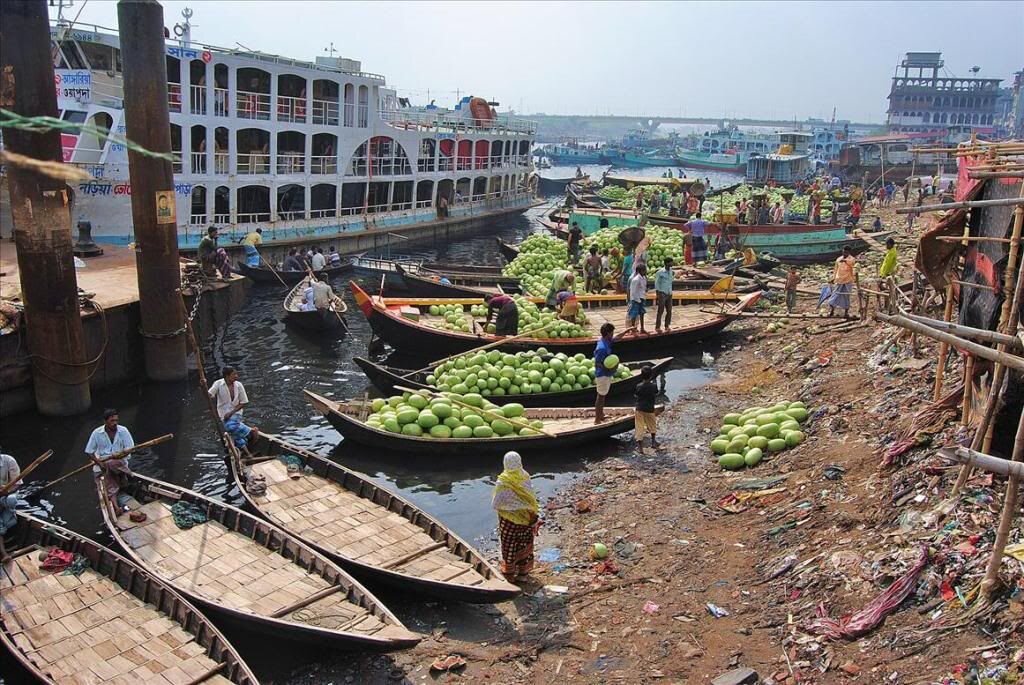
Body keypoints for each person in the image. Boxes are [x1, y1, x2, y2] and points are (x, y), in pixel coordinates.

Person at [492, 451, 540, 581]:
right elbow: (529, 496)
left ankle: (509, 574)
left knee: (509, 544)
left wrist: (510, 507)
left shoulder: (503, 480)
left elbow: (497, 502)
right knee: (524, 542)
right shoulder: (525, 476)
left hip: (509, 519)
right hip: (526, 517)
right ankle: (523, 573)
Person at [86, 409, 137, 513]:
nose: (115, 423)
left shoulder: (123, 431)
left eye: (116, 420)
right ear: (105, 421)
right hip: (102, 464)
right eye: (112, 421)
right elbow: (89, 452)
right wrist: (100, 463)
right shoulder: (97, 433)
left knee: (111, 465)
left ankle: (115, 501)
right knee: (108, 478)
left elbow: (130, 448)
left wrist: (120, 455)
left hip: (120, 462)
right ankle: (116, 503)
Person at [209, 367, 259, 452]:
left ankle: (250, 432)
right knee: (234, 436)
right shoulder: (218, 384)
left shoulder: (239, 385)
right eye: (234, 375)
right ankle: (248, 438)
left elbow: (244, 402)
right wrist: (203, 386)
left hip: (236, 413)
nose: (236, 376)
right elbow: (209, 395)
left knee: (229, 427)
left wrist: (231, 412)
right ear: (227, 376)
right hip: (223, 414)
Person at [1, 448, 22, 559]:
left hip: (9, 494)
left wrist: (6, 490)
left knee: (11, 501)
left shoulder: (9, 461)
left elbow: (17, 484)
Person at [828, 246, 858, 319]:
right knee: (835, 295)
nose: (844, 253)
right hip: (839, 280)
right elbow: (835, 270)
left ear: (849, 252)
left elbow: (852, 264)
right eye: (843, 252)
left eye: (846, 252)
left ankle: (846, 312)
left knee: (846, 296)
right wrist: (833, 278)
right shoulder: (838, 259)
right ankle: (832, 311)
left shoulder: (851, 259)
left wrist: (845, 261)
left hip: (848, 280)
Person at [634, 365, 659, 448]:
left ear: (641, 375)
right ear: (651, 375)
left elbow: (636, 395)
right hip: (649, 408)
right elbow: (656, 393)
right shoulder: (653, 386)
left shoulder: (638, 386)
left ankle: (640, 447)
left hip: (639, 408)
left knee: (639, 426)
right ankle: (653, 442)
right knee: (652, 425)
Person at [877, 237, 898, 310]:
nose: (886, 246)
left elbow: (887, 265)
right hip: (886, 273)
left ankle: (888, 304)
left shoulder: (892, 253)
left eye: (887, 244)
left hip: (887, 274)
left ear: (890, 244)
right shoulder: (890, 251)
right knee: (886, 289)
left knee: (886, 289)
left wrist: (883, 275)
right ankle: (887, 304)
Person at [627, 263, 648, 334]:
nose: (646, 271)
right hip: (636, 299)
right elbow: (633, 291)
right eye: (644, 270)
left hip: (642, 297)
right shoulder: (635, 279)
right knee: (634, 314)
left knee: (642, 313)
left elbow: (643, 288)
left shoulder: (644, 278)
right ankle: (633, 329)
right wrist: (636, 300)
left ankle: (642, 328)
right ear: (640, 271)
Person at [654, 257, 674, 332]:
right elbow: (656, 284)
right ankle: (657, 327)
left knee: (669, 310)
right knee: (660, 311)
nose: (672, 264)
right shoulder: (660, 272)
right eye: (671, 262)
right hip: (662, 293)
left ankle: (667, 325)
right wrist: (658, 295)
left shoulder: (671, 271)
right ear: (666, 263)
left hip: (669, 293)